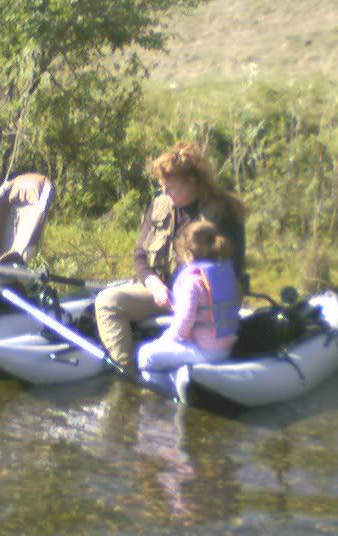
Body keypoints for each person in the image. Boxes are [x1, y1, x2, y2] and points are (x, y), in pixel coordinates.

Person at [95, 142, 247, 369]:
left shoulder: (222, 211)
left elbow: (233, 268)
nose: (164, 193)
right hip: (161, 294)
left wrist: (192, 296)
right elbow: (140, 256)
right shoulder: (160, 205)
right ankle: (126, 370)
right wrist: (154, 284)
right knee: (107, 302)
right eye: (162, 187)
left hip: (205, 299)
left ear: (192, 183)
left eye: (171, 188)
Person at [136, 219, 242, 378]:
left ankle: (160, 396)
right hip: (226, 348)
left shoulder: (192, 281)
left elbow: (184, 324)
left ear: (188, 255)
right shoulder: (225, 273)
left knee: (146, 355)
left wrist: (165, 339)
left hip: (205, 351)